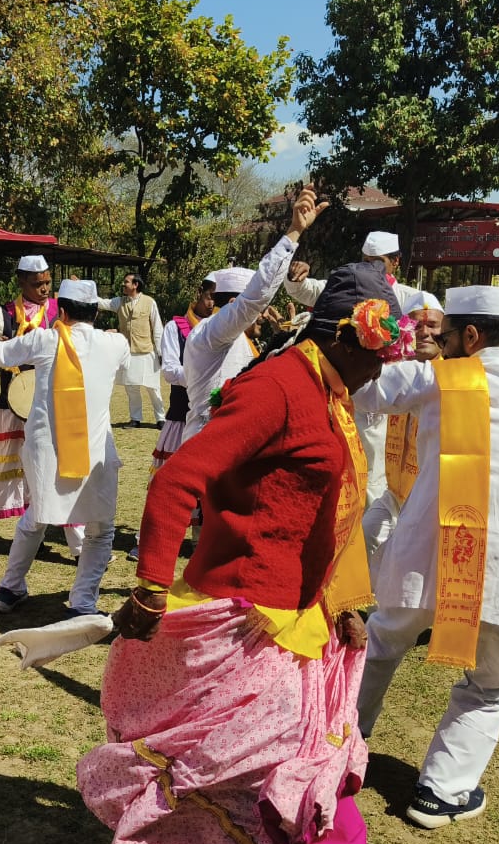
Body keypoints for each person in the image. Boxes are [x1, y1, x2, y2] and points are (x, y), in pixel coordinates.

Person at [78, 261, 413, 844]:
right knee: (232, 779)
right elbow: (178, 480)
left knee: (256, 782)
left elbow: (322, 510)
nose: (383, 370)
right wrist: (150, 585)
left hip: (295, 620)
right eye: (380, 354)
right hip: (243, 625)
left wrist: (340, 601)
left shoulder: (330, 393)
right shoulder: (279, 390)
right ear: (345, 337)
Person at [351, 275, 499, 829]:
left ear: (472, 336)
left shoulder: (437, 378)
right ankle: (441, 790)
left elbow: (363, 391)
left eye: (448, 335)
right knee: (493, 682)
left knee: (379, 647)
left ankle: (336, 749)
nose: (443, 343)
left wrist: (379, 342)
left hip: (423, 562)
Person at [0, 279, 128, 617]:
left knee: (35, 518)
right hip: (95, 454)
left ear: (61, 311)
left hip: (47, 452)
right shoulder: (115, 344)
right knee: (100, 529)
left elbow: (0, 353)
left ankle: (10, 587)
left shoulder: (45, 339)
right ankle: (82, 602)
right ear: (94, 311)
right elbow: (117, 343)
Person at [284, 231, 420, 507]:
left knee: (375, 478)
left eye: (378, 262)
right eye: (366, 260)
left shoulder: (411, 298)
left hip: (384, 404)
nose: (371, 267)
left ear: (395, 262)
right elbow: (300, 289)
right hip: (343, 396)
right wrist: (294, 274)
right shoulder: (347, 285)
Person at [183, 187, 329, 443]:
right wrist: (294, 232)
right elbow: (255, 297)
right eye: (257, 311)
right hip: (207, 447)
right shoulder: (209, 334)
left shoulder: (241, 340)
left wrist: (281, 339)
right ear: (232, 304)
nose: (262, 315)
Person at [0, 254, 83, 559]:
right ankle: (34, 534)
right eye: (37, 284)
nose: (45, 289)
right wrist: (4, 350)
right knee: (25, 469)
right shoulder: (4, 313)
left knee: (60, 468)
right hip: (14, 403)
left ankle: (80, 545)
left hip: (54, 403)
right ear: (21, 283)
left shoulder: (63, 311)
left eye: (47, 282)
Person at [126, 277, 215, 561]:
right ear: (199, 293)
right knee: (168, 482)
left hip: (213, 417)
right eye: (211, 296)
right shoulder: (176, 327)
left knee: (210, 485)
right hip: (181, 415)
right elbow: (170, 370)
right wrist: (203, 377)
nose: (213, 303)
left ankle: (201, 542)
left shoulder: (223, 327)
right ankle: (149, 539)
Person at [361, 291, 443, 585]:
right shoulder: (395, 372)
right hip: (395, 490)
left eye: (432, 325)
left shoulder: (455, 377)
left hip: (432, 496)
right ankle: (373, 617)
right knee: (366, 537)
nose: (424, 332)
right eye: (416, 325)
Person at [98, 273, 164, 428]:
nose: (123, 284)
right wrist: (82, 289)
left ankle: (161, 419)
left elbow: (158, 328)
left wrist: (160, 352)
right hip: (128, 352)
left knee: (153, 388)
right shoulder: (119, 302)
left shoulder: (149, 302)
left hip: (147, 351)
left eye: (126, 282)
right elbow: (102, 303)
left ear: (135, 285)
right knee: (131, 388)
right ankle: (135, 418)